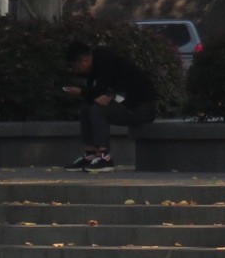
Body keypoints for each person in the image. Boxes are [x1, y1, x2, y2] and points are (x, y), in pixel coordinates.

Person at [62, 40, 157, 171]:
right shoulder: (95, 67)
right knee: (86, 108)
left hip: (140, 107)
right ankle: (90, 154)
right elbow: (96, 93)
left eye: (74, 66)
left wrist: (82, 93)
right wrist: (96, 95)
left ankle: (104, 157)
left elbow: (100, 88)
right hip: (125, 102)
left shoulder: (105, 61)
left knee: (98, 110)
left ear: (84, 60)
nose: (74, 71)